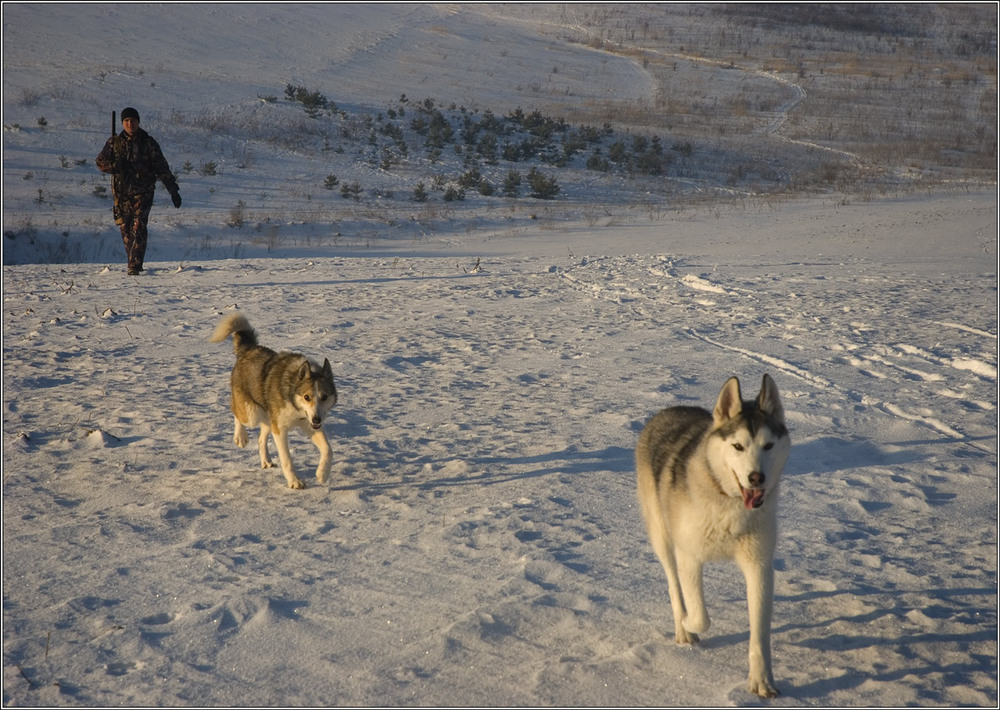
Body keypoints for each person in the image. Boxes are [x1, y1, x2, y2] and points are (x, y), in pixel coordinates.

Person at [96, 107, 181, 274]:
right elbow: (100, 162)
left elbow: (162, 167)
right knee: (125, 228)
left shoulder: (148, 143)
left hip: (144, 192)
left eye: (133, 120)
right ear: (122, 123)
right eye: (126, 121)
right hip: (121, 194)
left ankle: (134, 266)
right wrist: (114, 165)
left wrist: (173, 190)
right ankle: (132, 261)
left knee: (139, 225)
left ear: (138, 122)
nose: (130, 124)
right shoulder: (114, 143)